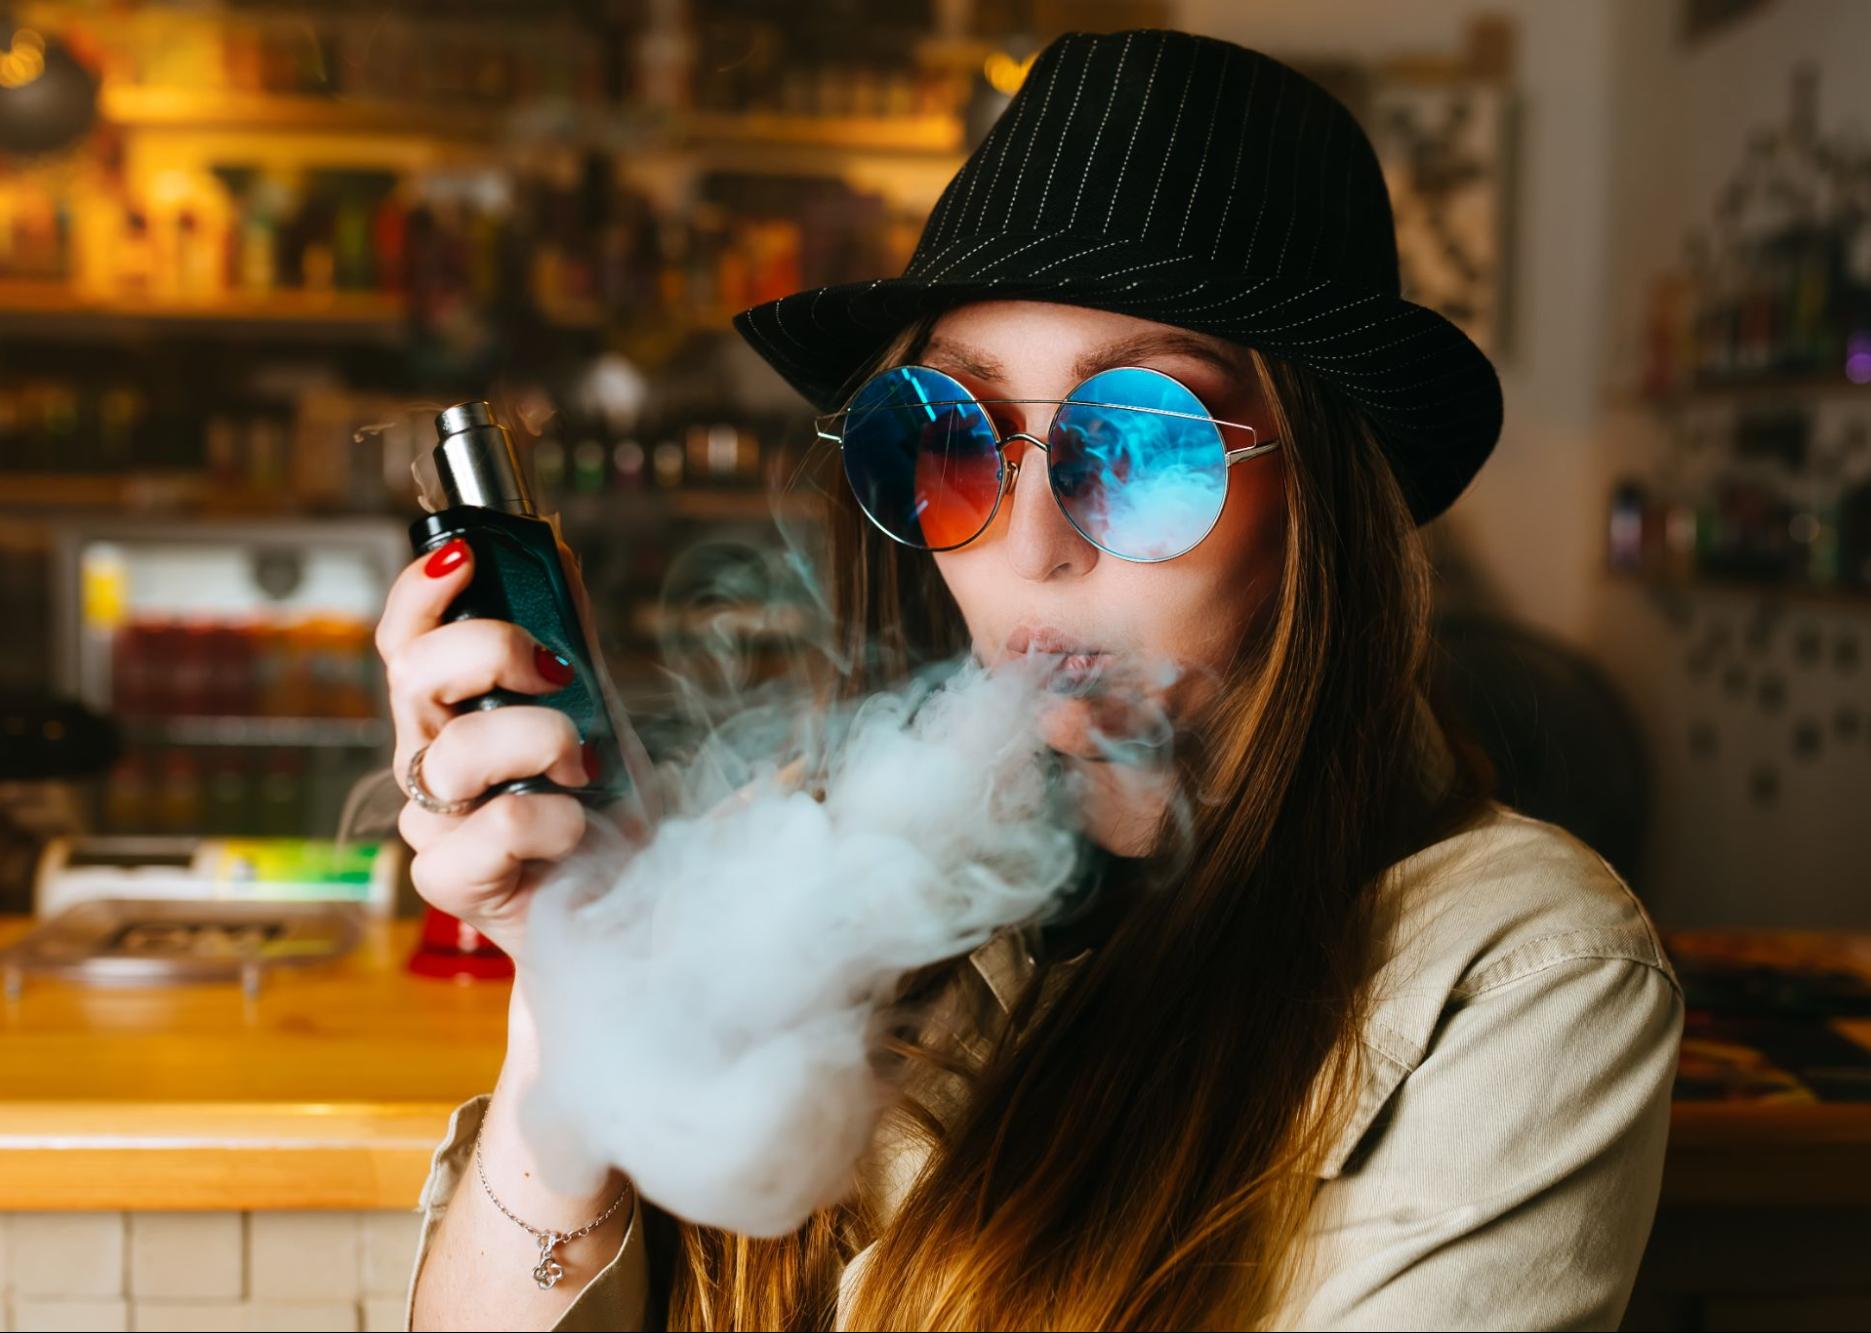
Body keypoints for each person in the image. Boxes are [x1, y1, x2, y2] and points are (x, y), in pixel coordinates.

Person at [385, 28, 1684, 1331]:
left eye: (1145, 442)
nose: (1028, 541)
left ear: (1325, 503)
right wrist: (569, 1015)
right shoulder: (804, 850)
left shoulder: (1521, 976)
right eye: (947, 435)